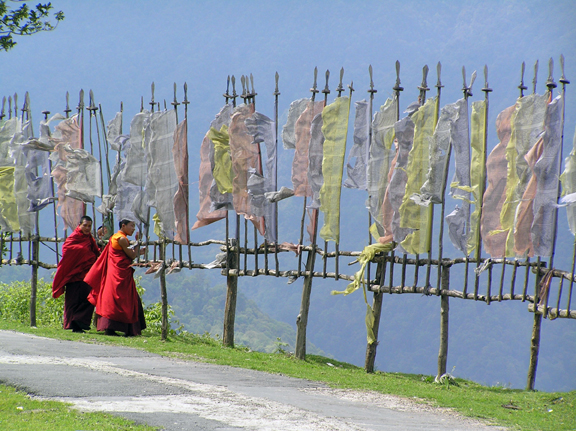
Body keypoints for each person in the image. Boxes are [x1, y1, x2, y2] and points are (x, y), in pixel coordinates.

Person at [85, 219, 146, 336]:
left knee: (112, 298)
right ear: (123, 226)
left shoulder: (115, 237)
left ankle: (111, 328)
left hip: (115, 272)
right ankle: (128, 329)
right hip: (120, 273)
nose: (133, 229)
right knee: (124, 299)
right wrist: (138, 242)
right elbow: (132, 255)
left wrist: (138, 251)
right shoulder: (122, 239)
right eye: (131, 226)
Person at [51, 215, 100, 333]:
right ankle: (72, 324)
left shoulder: (89, 239)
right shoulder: (73, 238)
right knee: (73, 301)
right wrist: (87, 256)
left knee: (89, 298)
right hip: (74, 275)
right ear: (79, 225)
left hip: (86, 274)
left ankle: (80, 321)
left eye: (89, 226)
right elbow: (68, 252)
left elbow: (94, 252)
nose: (87, 228)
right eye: (85, 225)